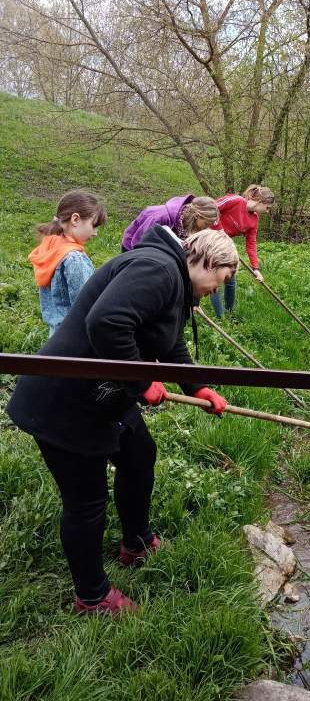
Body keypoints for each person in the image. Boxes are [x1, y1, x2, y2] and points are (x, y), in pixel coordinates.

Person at [7, 226, 238, 617]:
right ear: (210, 261)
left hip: (105, 394)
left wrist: (197, 386)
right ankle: (92, 596)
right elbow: (107, 322)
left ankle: (136, 543)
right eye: (224, 277)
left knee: (139, 455)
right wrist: (141, 381)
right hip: (64, 400)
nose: (220, 287)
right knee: (86, 501)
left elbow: (170, 340)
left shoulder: (176, 282)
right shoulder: (157, 269)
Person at [29, 190, 107, 336]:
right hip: (75, 336)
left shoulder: (51, 246)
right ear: (75, 219)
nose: (95, 233)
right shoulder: (74, 259)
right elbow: (87, 304)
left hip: (56, 333)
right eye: (94, 226)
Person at [210, 184, 274, 318]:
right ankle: (220, 319)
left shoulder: (254, 220)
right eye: (267, 207)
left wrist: (255, 268)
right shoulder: (236, 201)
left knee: (230, 279)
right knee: (216, 280)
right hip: (207, 239)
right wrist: (220, 231)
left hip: (224, 245)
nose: (267, 211)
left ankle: (230, 314)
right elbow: (211, 208)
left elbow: (251, 244)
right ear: (260, 201)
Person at [121, 195, 218, 251]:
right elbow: (139, 243)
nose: (205, 228)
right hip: (132, 249)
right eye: (206, 224)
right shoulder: (160, 218)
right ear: (197, 216)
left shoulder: (187, 223)